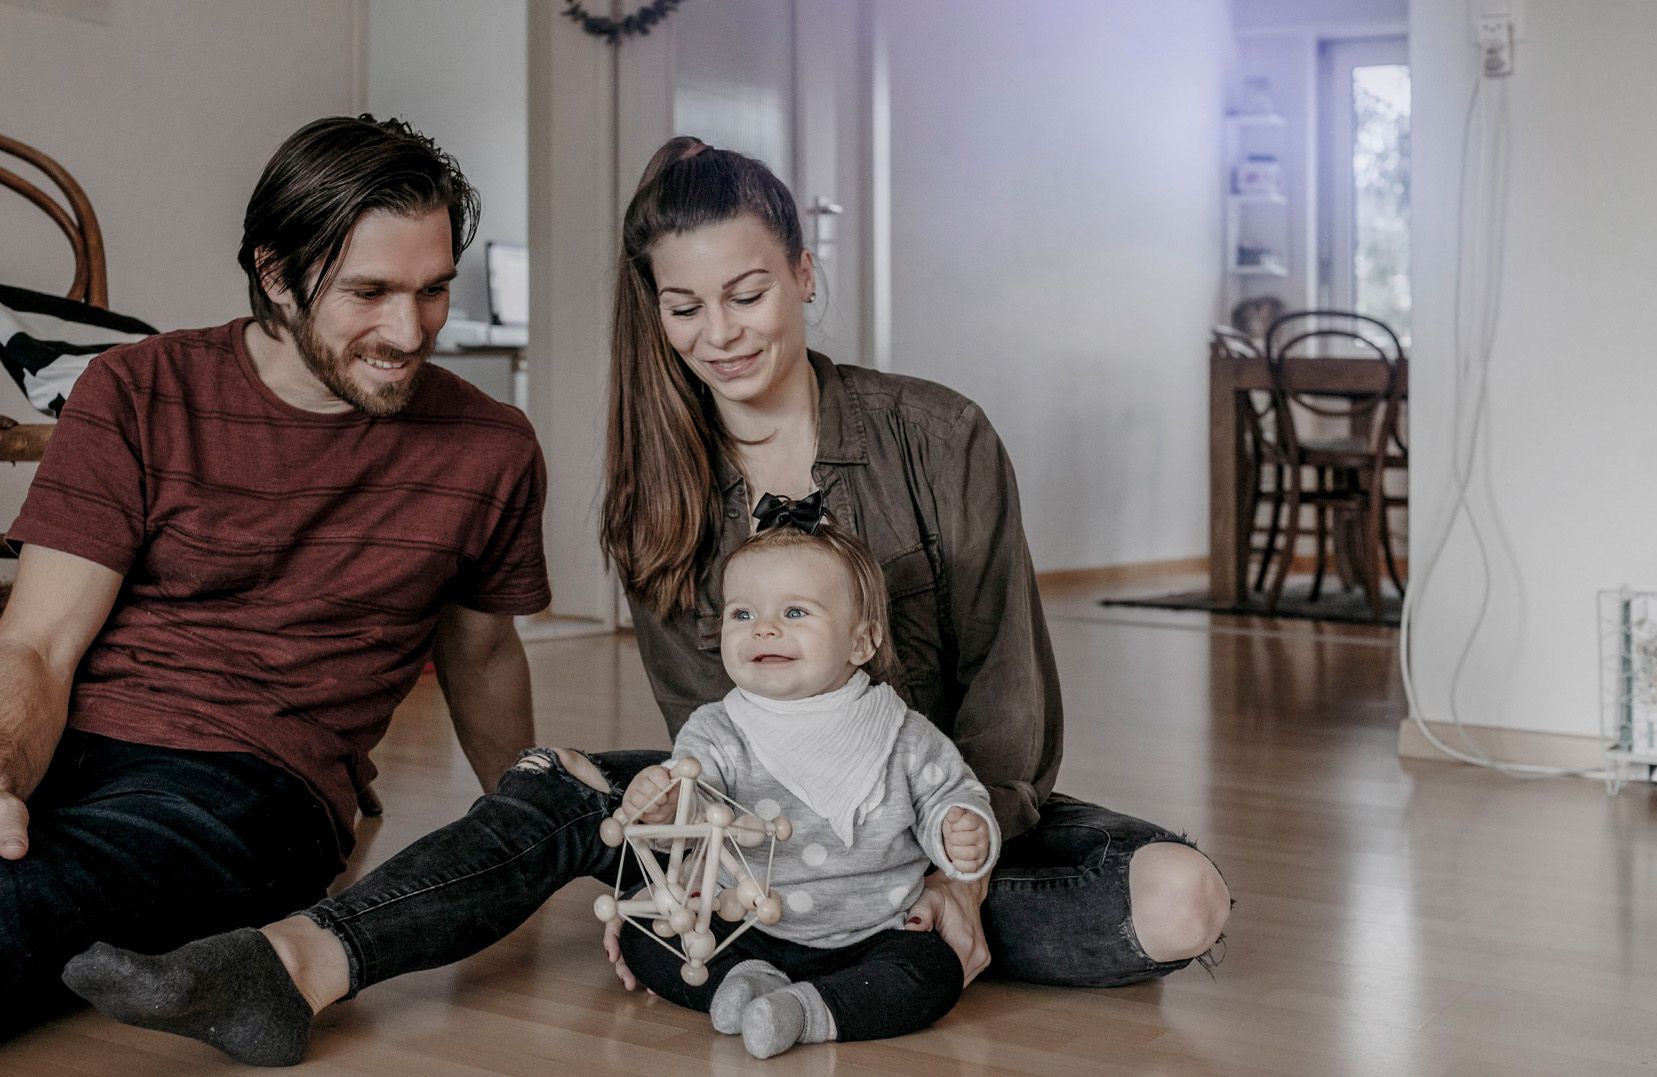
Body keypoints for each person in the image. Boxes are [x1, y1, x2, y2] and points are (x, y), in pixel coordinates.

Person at [61, 136, 1231, 1066]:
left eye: (749, 293)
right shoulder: (653, 500)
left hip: (945, 814)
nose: (720, 334)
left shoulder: (940, 435)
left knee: (1179, 903)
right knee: (553, 790)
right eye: (686, 307)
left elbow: (1011, 698)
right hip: (760, 826)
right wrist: (678, 869)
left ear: (804, 274)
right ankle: (293, 966)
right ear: (656, 311)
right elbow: (706, 736)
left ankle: (861, 942)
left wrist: (953, 872)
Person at [0, 114, 549, 1036]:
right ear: (277, 273)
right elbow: (38, 644)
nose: (408, 331)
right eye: (368, 291)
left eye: (433, 291)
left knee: (31, 902)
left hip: (247, 783)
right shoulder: (137, 390)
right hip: (74, 737)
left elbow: (484, 653)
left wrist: (523, 829)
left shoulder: (488, 447)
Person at [607, 514, 999, 1058]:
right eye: (742, 613)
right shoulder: (717, 729)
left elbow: (947, 797)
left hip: (873, 934)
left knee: (933, 972)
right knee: (641, 930)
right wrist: (663, 802)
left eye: (794, 612)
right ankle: (744, 982)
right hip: (740, 927)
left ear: (861, 642)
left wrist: (959, 828)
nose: (763, 628)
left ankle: (808, 1010)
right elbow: (694, 807)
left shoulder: (902, 732)